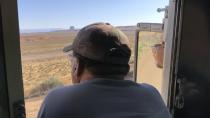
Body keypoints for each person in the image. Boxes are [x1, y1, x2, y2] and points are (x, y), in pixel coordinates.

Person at [38, 22, 171, 118]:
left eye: (72, 60)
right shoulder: (151, 95)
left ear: (77, 66)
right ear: (125, 67)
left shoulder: (57, 101)